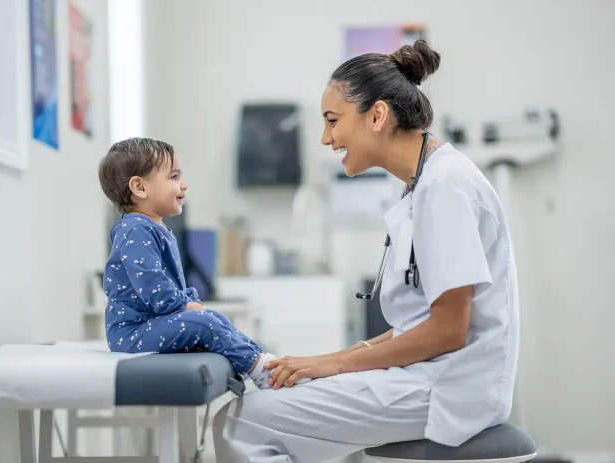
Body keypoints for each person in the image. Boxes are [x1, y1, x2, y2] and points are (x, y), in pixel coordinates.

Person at [212, 39, 521, 462]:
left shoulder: (444, 186)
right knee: (285, 400)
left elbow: (448, 329)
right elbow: (420, 320)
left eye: (332, 120)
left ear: (377, 115)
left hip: (450, 386)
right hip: (431, 376)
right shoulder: (424, 183)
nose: (325, 137)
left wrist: (336, 364)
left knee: (241, 421)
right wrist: (332, 358)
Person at [97, 137, 310, 390]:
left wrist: (187, 302)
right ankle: (261, 370)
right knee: (205, 324)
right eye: (174, 177)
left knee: (214, 318)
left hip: (149, 325)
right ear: (140, 188)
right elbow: (152, 285)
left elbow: (168, 283)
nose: (183, 185)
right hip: (132, 333)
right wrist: (184, 305)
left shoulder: (152, 227)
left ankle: (264, 361)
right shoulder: (135, 230)